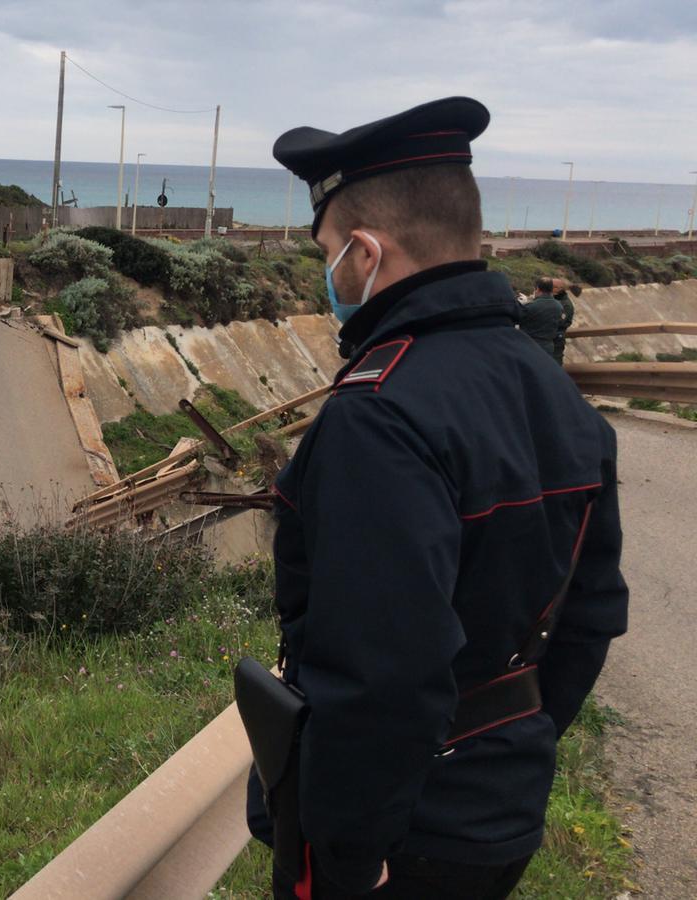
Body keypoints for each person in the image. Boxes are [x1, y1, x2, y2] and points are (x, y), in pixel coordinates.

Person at [247, 97, 627, 899]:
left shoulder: (380, 414)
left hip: (401, 840)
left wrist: (347, 856)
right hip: (500, 809)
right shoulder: (554, 393)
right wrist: (510, 742)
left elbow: (383, 673)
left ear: (364, 252)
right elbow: (590, 614)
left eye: (326, 252)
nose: (329, 276)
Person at [516, 280, 565, 360]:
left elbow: (518, 319)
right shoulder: (559, 306)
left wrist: (522, 305)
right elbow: (560, 323)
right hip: (547, 347)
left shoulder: (531, 306)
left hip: (529, 346)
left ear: (537, 289)